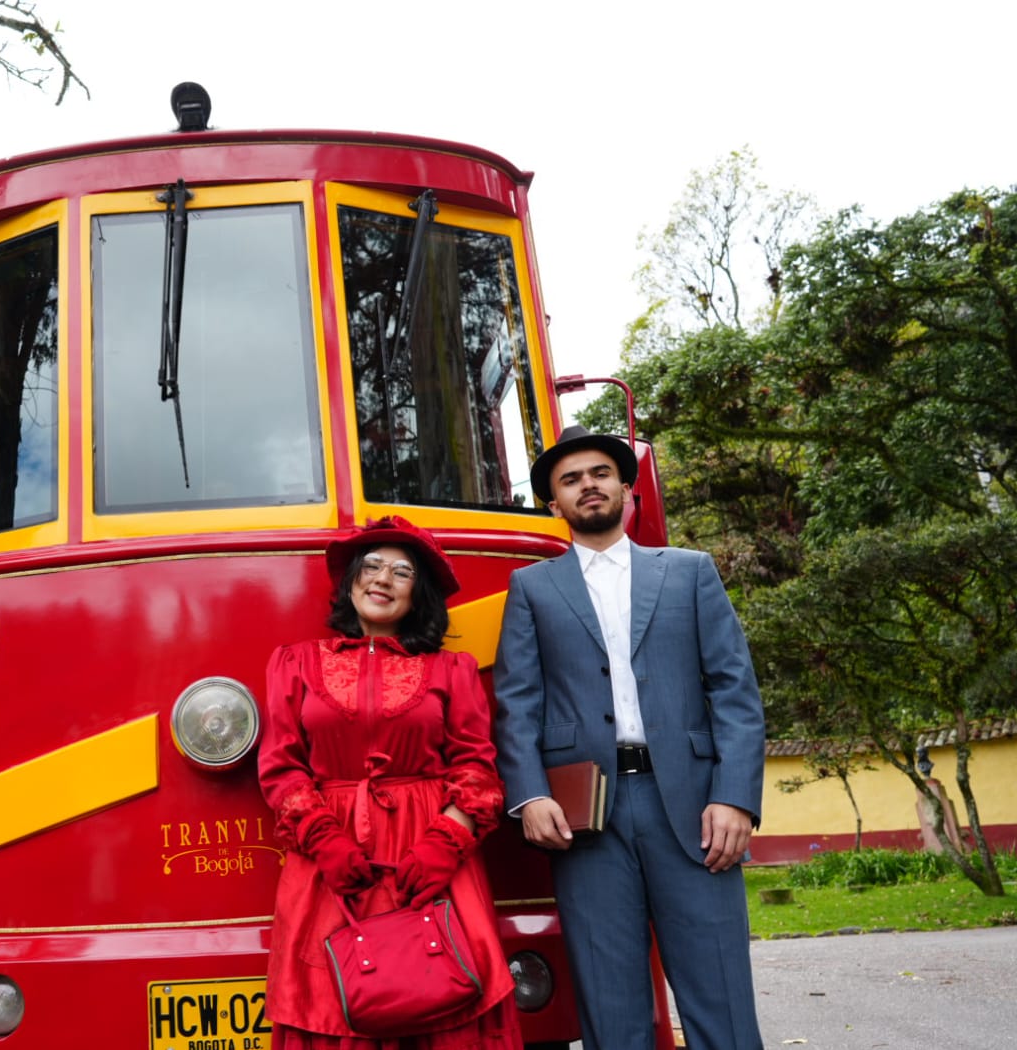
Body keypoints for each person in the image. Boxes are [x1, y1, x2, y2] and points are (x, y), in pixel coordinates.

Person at [492, 426, 766, 1050]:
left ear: (624, 486)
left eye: (599, 473)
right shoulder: (532, 589)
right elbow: (517, 704)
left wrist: (736, 797)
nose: (588, 485)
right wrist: (530, 796)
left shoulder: (691, 572)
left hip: (695, 805)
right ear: (553, 504)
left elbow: (735, 692)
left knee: (719, 993)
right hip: (586, 817)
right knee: (611, 1008)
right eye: (570, 480)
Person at [258, 515, 523, 1050]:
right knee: (334, 1005)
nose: (382, 579)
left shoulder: (453, 670)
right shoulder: (296, 664)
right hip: (331, 864)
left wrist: (445, 843)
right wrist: (324, 840)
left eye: (401, 572)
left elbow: (477, 768)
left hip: (430, 859)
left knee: (446, 992)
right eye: (372, 566)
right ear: (351, 579)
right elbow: (281, 766)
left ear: (417, 593)